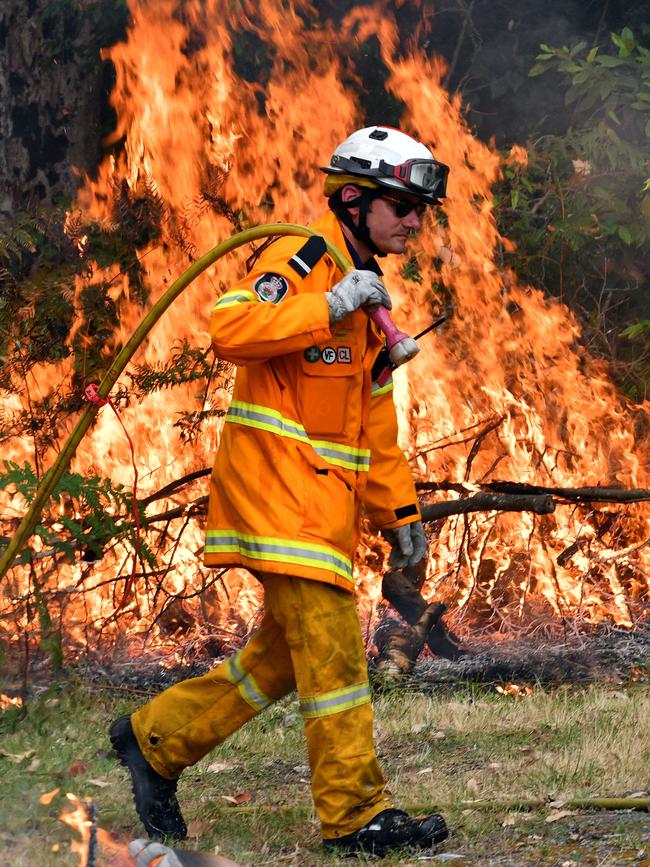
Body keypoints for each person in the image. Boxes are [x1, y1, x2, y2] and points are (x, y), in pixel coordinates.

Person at [110, 126, 450, 857]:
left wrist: (403, 520)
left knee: (281, 657)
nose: (415, 220)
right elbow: (231, 326)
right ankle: (357, 815)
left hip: (318, 506)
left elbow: (372, 423)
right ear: (354, 200)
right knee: (331, 651)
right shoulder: (303, 259)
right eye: (402, 204)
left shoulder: (371, 299)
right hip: (275, 493)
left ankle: (154, 740)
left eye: (420, 207)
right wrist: (325, 305)